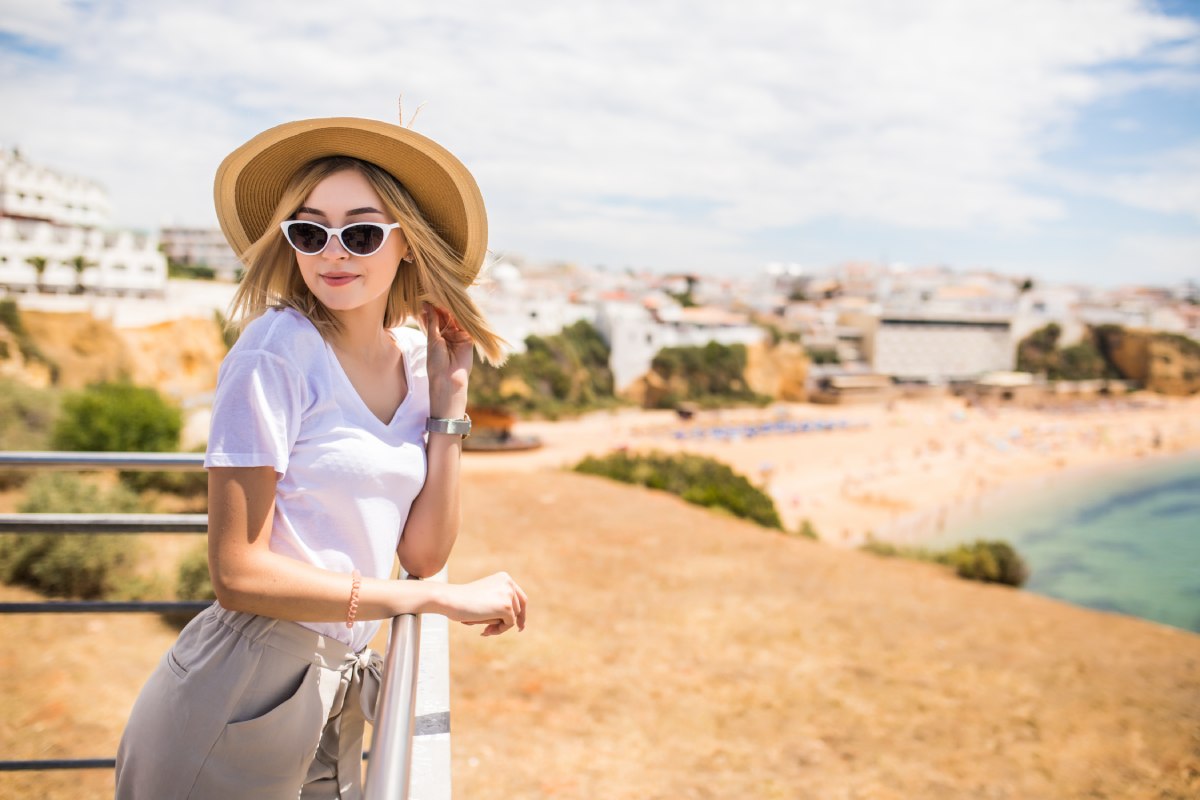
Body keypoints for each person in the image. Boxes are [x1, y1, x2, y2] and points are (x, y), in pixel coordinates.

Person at [115, 117, 527, 799]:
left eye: (361, 233)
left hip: (333, 698)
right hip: (237, 696)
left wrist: (451, 402)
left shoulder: (418, 361)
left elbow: (423, 551)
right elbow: (236, 572)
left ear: (407, 246)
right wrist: (425, 599)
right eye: (309, 232)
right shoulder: (275, 350)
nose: (332, 254)